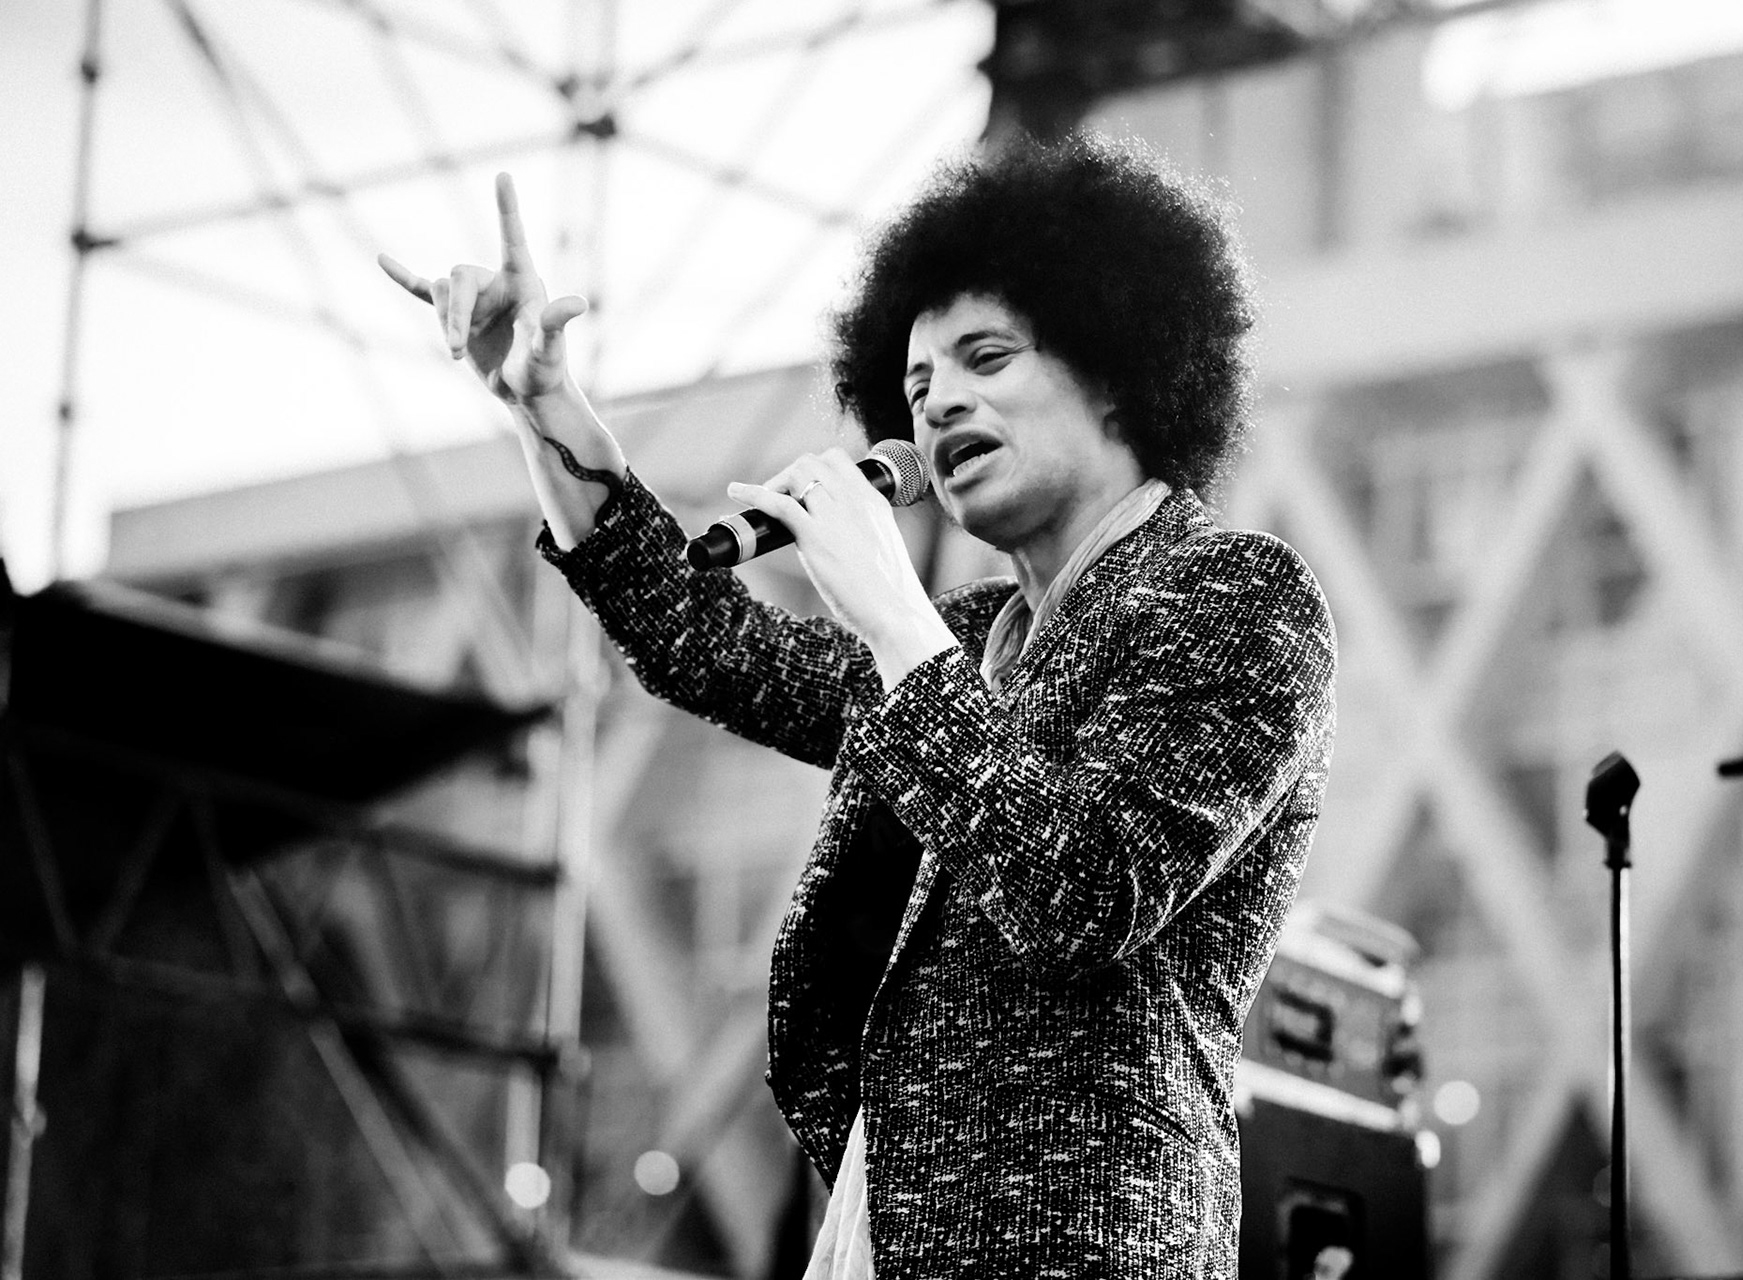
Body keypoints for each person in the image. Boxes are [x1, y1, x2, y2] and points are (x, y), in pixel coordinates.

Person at [379, 134, 1335, 1280]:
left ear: (1119, 363)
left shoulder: (1236, 592)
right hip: (882, 1227)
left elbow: (1084, 887)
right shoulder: (963, 636)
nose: (941, 404)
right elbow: (705, 640)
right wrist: (545, 405)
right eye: (917, 388)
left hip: (1079, 1241)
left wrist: (893, 616)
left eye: (987, 357)